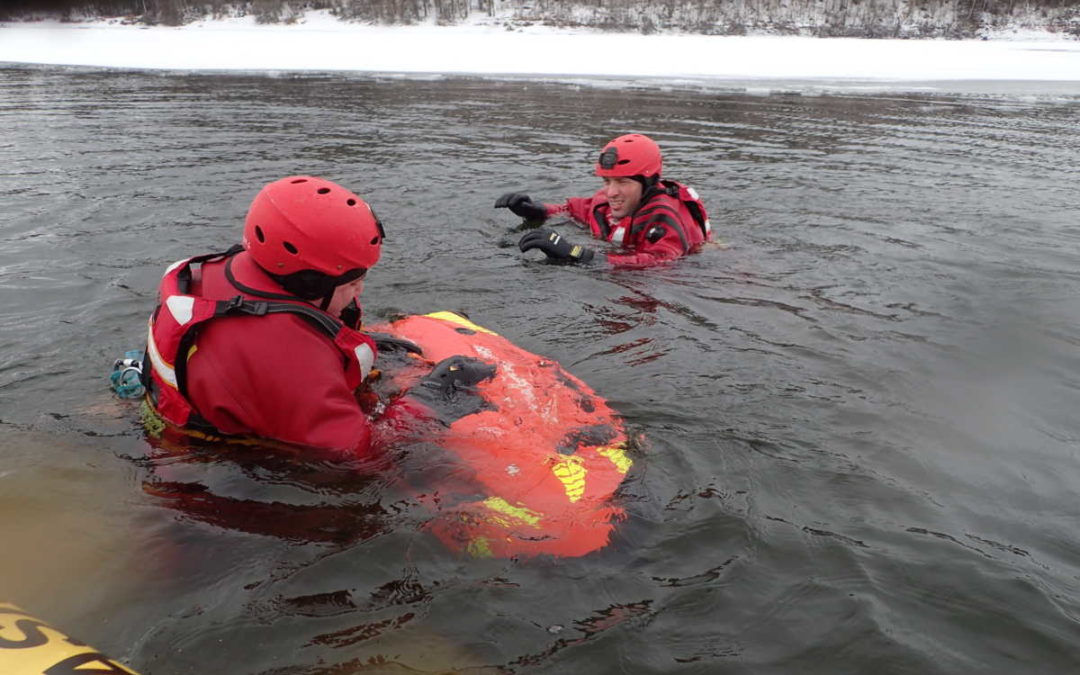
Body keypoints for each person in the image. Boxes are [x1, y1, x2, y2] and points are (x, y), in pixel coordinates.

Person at [141, 175, 484, 463]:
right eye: (352, 282)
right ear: (309, 282)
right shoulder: (283, 355)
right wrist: (431, 397)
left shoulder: (222, 271)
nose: (359, 292)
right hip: (220, 468)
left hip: (201, 404)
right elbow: (359, 453)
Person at [495, 133, 712, 268]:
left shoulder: (665, 218)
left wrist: (579, 255)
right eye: (607, 181)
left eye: (622, 182)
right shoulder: (610, 201)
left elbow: (661, 261)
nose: (611, 192)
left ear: (649, 183)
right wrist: (538, 211)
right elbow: (575, 209)